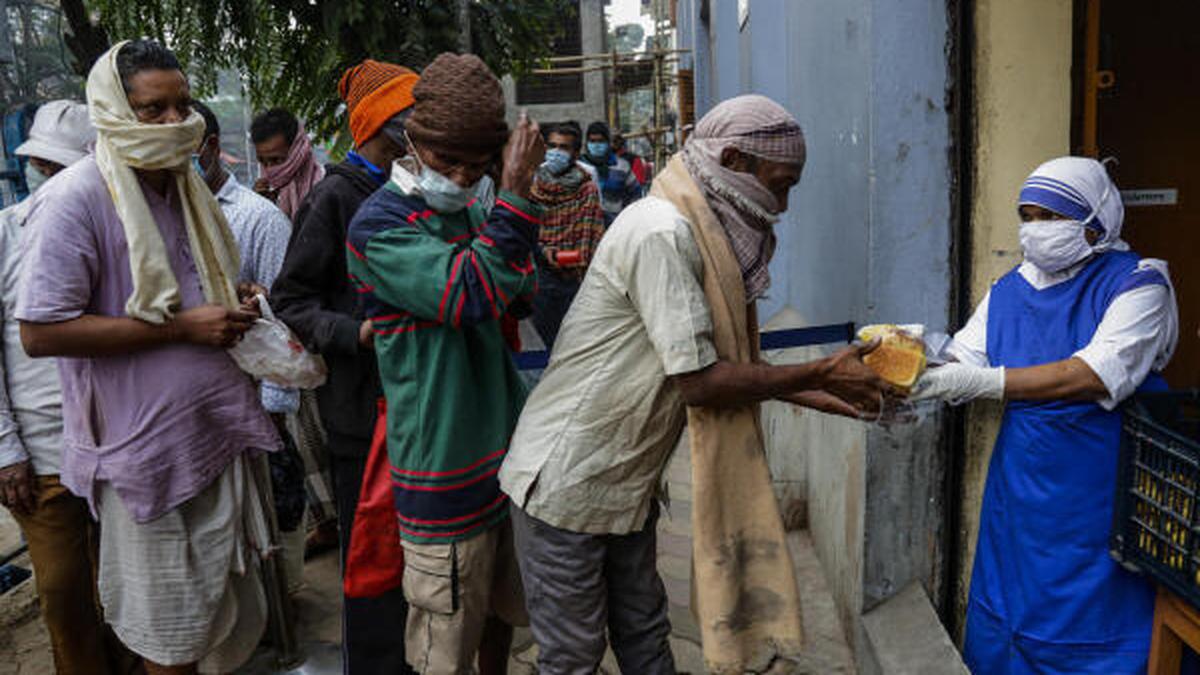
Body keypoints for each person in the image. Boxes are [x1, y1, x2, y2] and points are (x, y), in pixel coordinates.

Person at [498, 95, 892, 673]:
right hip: (567, 482)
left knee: (645, 637)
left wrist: (831, 394)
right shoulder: (662, 231)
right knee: (574, 657)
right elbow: (701, 382)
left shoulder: (688, 226)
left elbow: (729, 369)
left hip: (624, 482)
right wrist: (818, 372)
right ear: (732, 159)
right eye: (779, 185)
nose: (780, 206)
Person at [15, 39, 282, 674]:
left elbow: (191, 283)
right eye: (152, 110)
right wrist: (181, 329)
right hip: (144, 460)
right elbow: (40, 333)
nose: (174, 123)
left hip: (212, 438)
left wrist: (230, 296)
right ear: (112, 110)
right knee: (170, 637)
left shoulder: (183, 186)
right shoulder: (76, 198)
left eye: (182, 106)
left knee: (218, 623)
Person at [911, 157, 1179, 673]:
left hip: (1101, 485)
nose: (1035, 230)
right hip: (1022, 486)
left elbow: (1094, 374)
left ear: (1097, 220)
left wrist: (988, 382)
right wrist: (916, 366)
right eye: (1027, 215)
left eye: (1051, 216)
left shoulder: (1138, 284)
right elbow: (964, 357)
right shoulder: (1010, 288)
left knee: (1094, 615)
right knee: (1011, 607)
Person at [345, 52, 544, 674]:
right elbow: (473, 295)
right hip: (440, 468)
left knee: (500, 614)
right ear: (413, 144)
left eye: (475, 166)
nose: (459, 178)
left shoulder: (473, 211)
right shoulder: (379, 225)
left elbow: (525, 288)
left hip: (502, 457)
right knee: (443, 640)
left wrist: (504, 218)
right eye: (444, 161)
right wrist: (510, 198)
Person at [270, 58, 419, 675]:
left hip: (414, 405)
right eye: (414, 118)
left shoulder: (412, 188)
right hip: (361, 412)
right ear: (388, 126)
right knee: (372, 556)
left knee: (415, 553)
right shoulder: (336, 196)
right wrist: (353, 332)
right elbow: (289, 300)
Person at [0, 100, 138, 675]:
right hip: (43, 453)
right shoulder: (6, 236)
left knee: (130, 591)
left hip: (119, 445)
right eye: (45, 170)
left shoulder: (123, 232)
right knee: (62, 592)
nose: (52, 182)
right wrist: (7, 452)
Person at [193, 100, 309, 593]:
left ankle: (283, 614)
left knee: (273, 523)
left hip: (258, 404)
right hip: (199, 409)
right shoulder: (161, 219)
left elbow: (287, 317)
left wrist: (276, 409)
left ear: (211, 148)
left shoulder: (258, 219)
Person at [528, 121, 606, 347]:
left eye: (564, 148)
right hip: (540, 278)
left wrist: (579, 257)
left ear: (575, 152)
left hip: (577, 279)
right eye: (552, 146)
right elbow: (526, 230)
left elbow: (593, 231)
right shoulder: (531, 183)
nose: (556, 153)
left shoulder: (587, 187)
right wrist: (543, 251)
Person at [251, 107, 325, 220]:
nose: (270, 169)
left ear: (297, 152)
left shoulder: (325, 187)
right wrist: (261, 207)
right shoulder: (264, 196)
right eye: (263, 162)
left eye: (276, 160)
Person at [580, 121, 641, 225]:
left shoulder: (622, 166)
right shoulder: (580, 166)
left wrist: (627, 219)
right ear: (586, 143)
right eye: (592, 141)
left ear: (608, 142)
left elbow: (635, 195)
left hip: (615, 227)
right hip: (585, 227)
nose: (596, 145)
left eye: (600, 141)